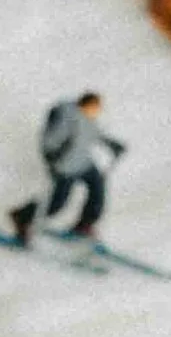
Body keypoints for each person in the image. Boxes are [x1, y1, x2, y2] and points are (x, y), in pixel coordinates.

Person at [8, 91, 126, 246]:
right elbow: (49, 140)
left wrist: (113, 145)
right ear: (85, 103)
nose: (97, 111)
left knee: (97, 189)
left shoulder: (88, 117)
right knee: (58, 203)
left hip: (84, 163)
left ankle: (84, 225)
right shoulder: (66, 115)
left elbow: (95, 133)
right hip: (65, 166)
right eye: (94, 107)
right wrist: (53, 157)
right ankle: (23, 216)